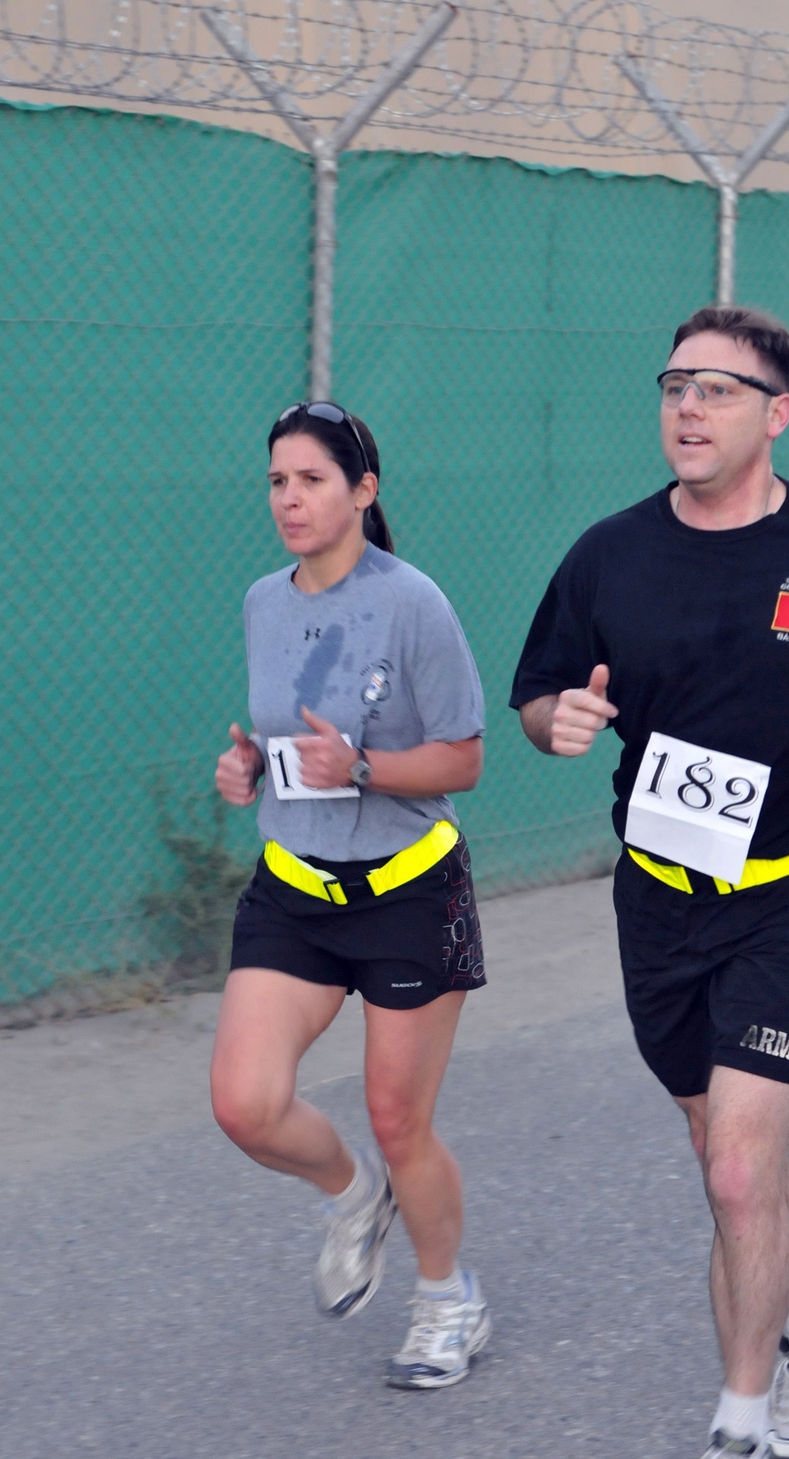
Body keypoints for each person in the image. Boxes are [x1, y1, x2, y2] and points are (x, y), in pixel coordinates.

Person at [510, 306, 789, 1459]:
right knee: (723, 1147)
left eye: (719, 390)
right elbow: (539, 695)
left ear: (775, 413)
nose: (688, 409)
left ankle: (740, 1427)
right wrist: (562, 724)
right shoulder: (609, 554)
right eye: (674, 386)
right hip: (660, 899)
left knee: (742, 1167)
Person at [212, 400, 490, 1389]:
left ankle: (447, 1299)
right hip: (293, 884)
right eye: (277, 481)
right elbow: (289, 738)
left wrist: (363, 769)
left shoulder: (413, 602)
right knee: (244, 1104)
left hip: (408, 890)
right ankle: (350, 1193)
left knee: (398, 1116)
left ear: (362, 491)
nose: (289, 498)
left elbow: (464, 755)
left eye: (311, 480)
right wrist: (249, 768)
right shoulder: (261, 599)